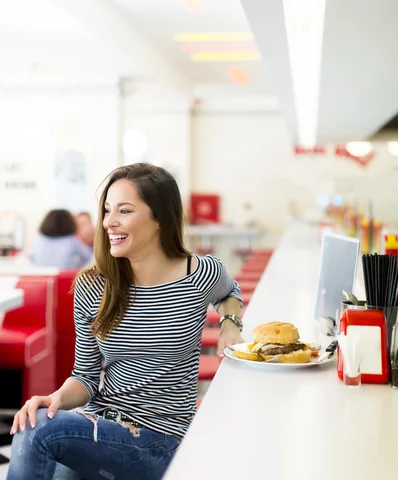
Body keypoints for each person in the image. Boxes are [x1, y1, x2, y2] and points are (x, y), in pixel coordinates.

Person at [7, 163, 243, 480]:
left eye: (125, 210)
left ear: (160, 218)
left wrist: (230, 323)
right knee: (38, 422)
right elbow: (86, 377)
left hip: (161, 440)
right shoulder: (93, 286)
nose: (109, 222)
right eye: (106, 210)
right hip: (99, 427)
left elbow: (230, 292)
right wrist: (58, 399)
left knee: (37, 429)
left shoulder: (199, 273)